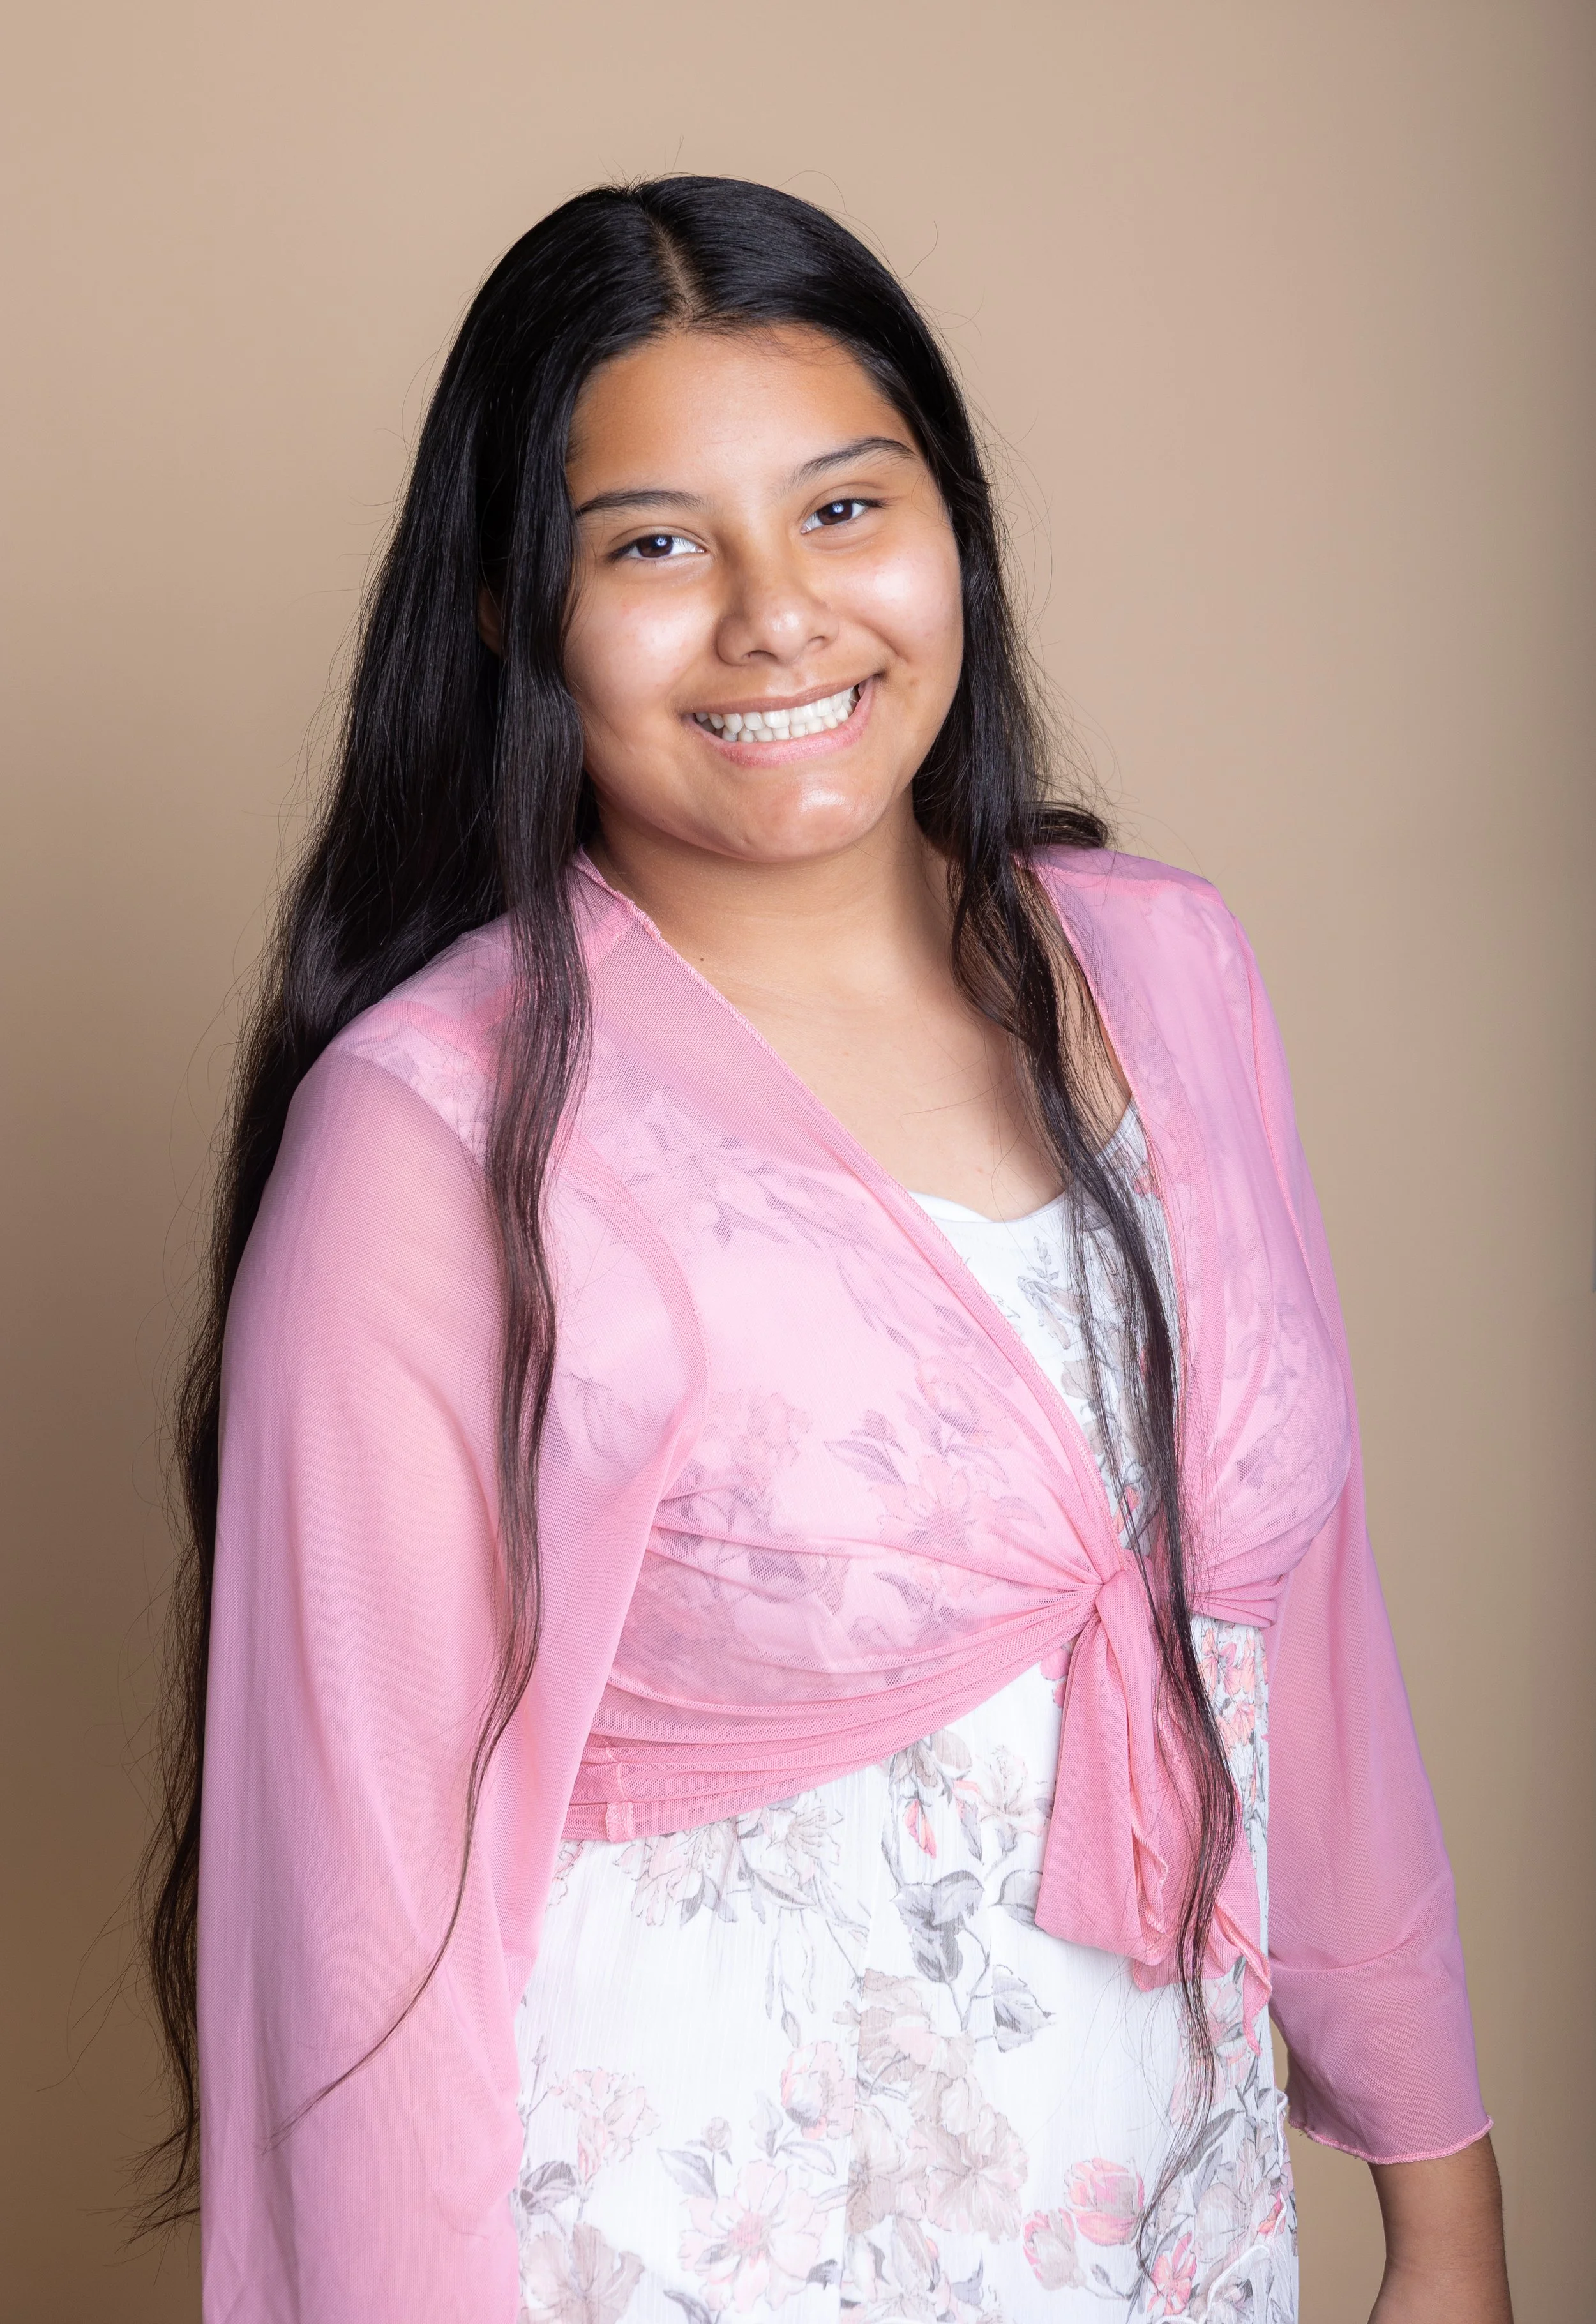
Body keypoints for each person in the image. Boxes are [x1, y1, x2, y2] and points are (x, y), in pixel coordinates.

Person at [143, 177, 1511, 2323]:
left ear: (950, 526)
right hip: (667, 2246)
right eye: (655, 545)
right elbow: (355, 1944)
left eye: (846, 509)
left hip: (1174, 2228)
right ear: (514, 612)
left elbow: (1296, 1639)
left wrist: (1441, 2210)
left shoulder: (1163, 972)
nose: (778, 619)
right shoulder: (436, 1131)